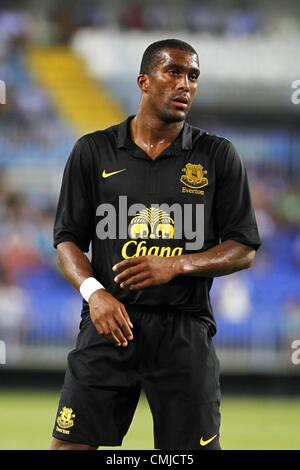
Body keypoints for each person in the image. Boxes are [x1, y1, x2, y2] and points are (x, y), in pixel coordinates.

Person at [50, 39, 261, 450]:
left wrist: (177, 265)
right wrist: (95, 295)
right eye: (174, 72)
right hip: (109, 322)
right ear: (144, 81)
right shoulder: (93, 151)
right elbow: (66, 240)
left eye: (193, 76)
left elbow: (244, 246)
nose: (185, 85)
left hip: (184, 330)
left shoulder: (217, 156)